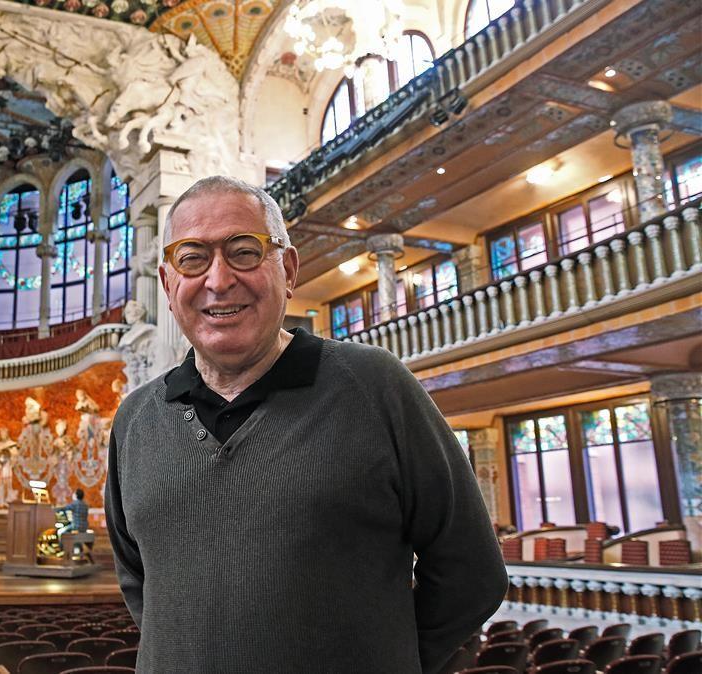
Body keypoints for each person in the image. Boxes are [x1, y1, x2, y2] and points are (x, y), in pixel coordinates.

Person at [104, 176, 508, 673]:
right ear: (169, 286)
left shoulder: (374, 385)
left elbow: (472, 572)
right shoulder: (135, 418)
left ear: (288, 269)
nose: (218, 279)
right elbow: (139, 580)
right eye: (192, 258)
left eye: (244, 251)